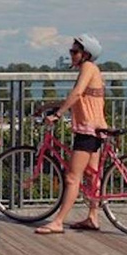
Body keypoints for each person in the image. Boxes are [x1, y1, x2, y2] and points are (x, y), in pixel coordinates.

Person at [35, 34, 107, 235]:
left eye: (75, 51)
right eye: (71, 51)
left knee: (72, 178)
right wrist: (47, 107)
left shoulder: (87, 68)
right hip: (97, 128)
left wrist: (57, 115)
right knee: (92, 175)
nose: (71, 55)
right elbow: (81, 98)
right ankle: (93, 217)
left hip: (87, 130)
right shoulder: (93, 70)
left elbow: (76, 94)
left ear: (86, 54)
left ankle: (58, 222)